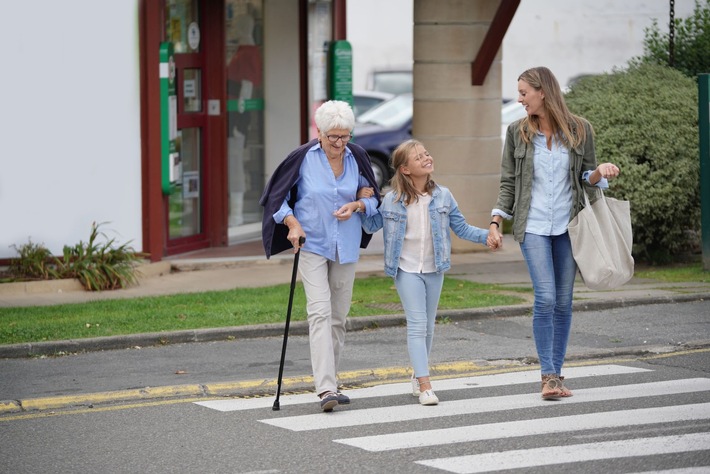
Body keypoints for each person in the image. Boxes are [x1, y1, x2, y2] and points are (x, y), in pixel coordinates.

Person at [487, 66, 620, 399]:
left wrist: (599, 172)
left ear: (542, 92)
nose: (519, 100)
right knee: (545, 297)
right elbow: (508, 181)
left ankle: (556, 376)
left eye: (523, 93)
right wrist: (495, 220)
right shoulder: (517, 132)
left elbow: (586, 174)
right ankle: (546, 375)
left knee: (564, 303)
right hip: (532, 226)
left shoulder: (580, 130)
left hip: (568, 226)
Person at [260, 100, 381, 412]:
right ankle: (325, 388)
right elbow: (278, 199)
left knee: (338, 318)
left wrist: (358, 204)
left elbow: (374, 200)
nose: (339, 144)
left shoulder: (358, 157)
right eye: (333, 138)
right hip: (312, 243)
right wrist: (293, 223)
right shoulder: (302, 159)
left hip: (347, 245)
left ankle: (333, 381)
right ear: (320, 133)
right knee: (319, 312)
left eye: (345, 137)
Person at [361, 139, 491, 406]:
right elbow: (370, 225)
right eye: (418, 157)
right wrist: (362, 203)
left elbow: (462, 228)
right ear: (405, 169)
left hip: (435, 267)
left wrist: (487, 236)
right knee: (418, 324)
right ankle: (425, 385)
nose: (426, 159)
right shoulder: (392, 201)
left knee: (429, 327)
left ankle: (417, 375)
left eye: (427, 154)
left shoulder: (443, 195)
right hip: (405, 268)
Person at [227, 13, 262, 226]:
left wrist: (240, 108)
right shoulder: (243, 51)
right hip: (233, 114)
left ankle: (237, 212)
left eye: (236, 25)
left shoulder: (248, 52)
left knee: (235, 160)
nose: (232, 29)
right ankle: (236, 211)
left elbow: (249, 82)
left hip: (237, 117)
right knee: (234, 160)